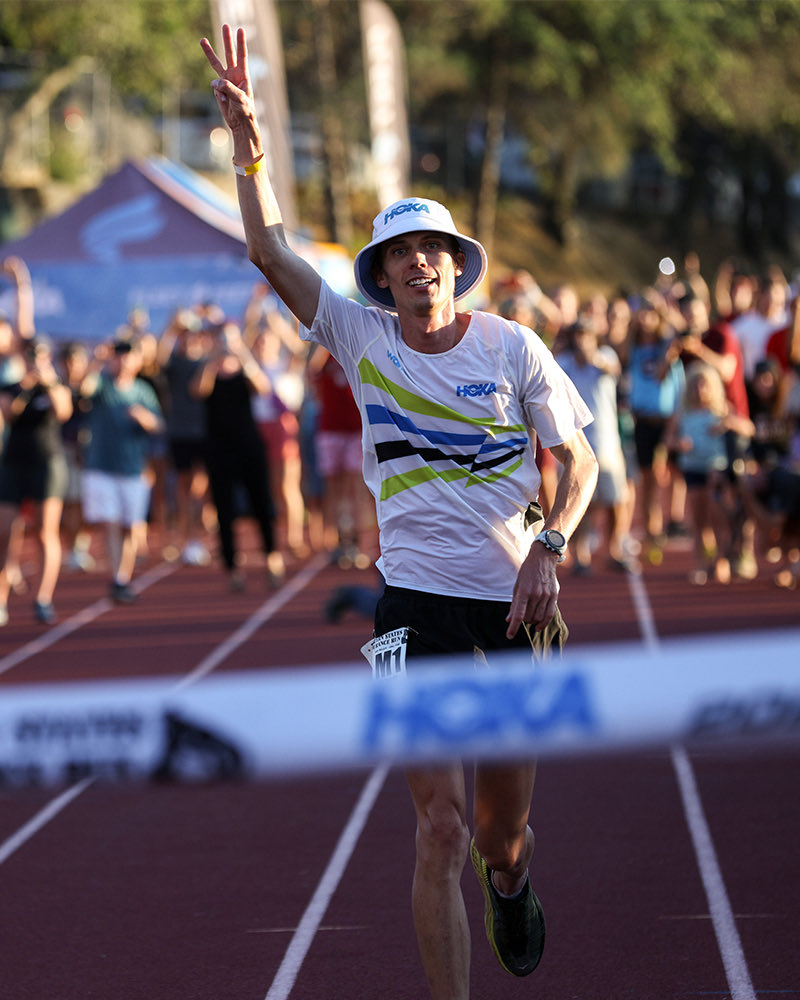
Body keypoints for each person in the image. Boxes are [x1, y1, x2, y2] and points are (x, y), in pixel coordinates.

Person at [202, 25, 598, 1000]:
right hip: (411, 607)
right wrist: (250, 149)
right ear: (381, 275)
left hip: (515, 608)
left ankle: (511, 883)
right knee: (439, 827)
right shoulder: (359, 336)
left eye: (434, 249)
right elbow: (266, 247)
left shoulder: (512, 348)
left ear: (458, 264)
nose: (419, 264)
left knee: (499, 839)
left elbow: (578, 459)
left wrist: (547, 545)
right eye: (401, 253)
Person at [190, 319, 285, 590]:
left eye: (229, 339)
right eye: (222, 339)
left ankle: (271, 557)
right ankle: (232, 567)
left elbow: (263, 389)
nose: (225, 345)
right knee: (224, 508)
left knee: (261, 502)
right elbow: (198, 391)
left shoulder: (246, 367)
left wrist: (241, 353)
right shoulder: (207, 369)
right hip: (218, 447)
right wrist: (212, 359)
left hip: (248, 444)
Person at [80, 336, 165, 603]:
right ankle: (118, 579)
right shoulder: (102, 385)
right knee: (111, 523)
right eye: (118, 355)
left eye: (128, 355)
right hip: (102, 467)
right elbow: (83, 389)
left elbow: (159, 425)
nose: (123, 360)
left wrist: (145, 419)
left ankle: (123, 575)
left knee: (132, 527)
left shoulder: (142, 390)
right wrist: (96, 360)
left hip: (133, 468)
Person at [0, 336, 73, 625]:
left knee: (45, 532)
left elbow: (64, 411)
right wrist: (26, 386)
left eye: (40, 357)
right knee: (6, 533)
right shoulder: (12, 388)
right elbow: (9, 414)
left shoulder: (56, 387)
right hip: (14, 462)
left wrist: (50, 383)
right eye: (31, 357)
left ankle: (43, 597)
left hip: (47, 463)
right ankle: (2, 599)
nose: (35, 363)